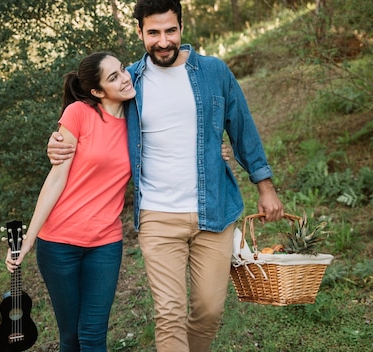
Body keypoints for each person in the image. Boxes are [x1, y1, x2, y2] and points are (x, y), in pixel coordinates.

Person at [47, 1, 284, 351]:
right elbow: (89, 115)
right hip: (158, 215)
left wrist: (265, 187)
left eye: (170, 31)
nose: (162, 41)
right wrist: (56, 143)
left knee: (209, 310)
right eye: (153, 32)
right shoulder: (128, 81)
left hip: (214, 212)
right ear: (140, 32)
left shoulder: (214, 72)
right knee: (170, 313)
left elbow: (242, 129)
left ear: (182, 28)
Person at [5, 51, 136, 352]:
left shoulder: (136, 119)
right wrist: (28, 240)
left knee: (92, 334)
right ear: (97, 91)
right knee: (71, 337)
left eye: (123, 70)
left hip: (105, 244)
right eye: (113, 77)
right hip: (59, 244)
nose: (125, 78)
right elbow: (56, 178)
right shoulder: (78, 113)